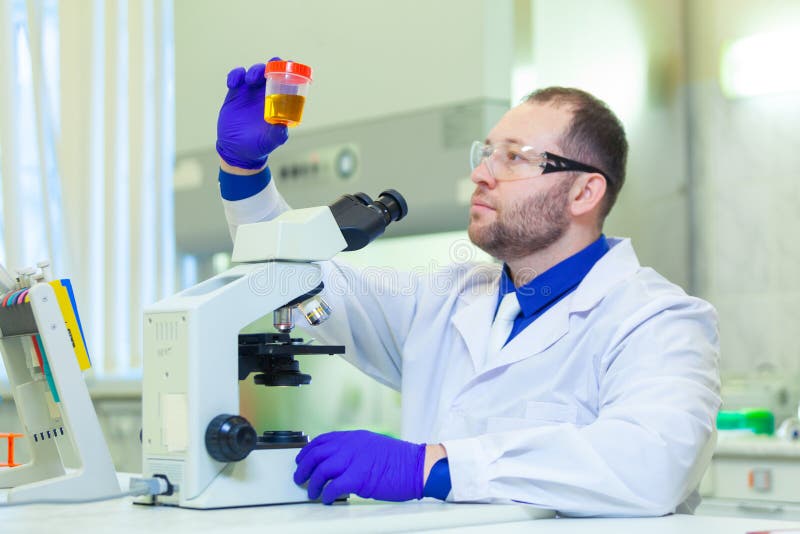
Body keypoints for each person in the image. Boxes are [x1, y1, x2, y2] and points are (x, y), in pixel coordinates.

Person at [215, 61, 721, 517]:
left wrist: (430, 467)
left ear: (585, 192)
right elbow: (297, 279)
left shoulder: (659, 320)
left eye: (516, 158)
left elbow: (654, 465)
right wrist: (244, 176)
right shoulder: (444, 298)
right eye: (486, 154)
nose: (481, 174)